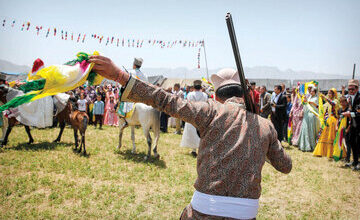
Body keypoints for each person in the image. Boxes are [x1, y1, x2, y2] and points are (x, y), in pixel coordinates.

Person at [89, 55, 292, 219]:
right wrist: (261, 141)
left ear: (216, 96)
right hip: (246, 214)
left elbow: (166, 100)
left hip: (204, 212)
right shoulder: (265, 126)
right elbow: (285, 165)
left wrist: (120, 76)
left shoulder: (210, 112)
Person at [180, 80, 208, 157]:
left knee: (192, 132)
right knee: (202, 132)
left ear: (194, 87)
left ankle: (193, 150)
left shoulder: (190, 94)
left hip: (193, 115)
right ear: (200, 87)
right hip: (202, 115)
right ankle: (201, 149)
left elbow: (188, 104)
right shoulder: (205, 95)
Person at [313, 88, 339, 158]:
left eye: (330, 93)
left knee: (331, 137)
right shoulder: (327, 103)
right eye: (328, 93)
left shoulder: (335, 101)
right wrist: (313, 105)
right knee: (322, 136)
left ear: (334, 94)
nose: (328, 94)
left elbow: (333, 104)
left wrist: (324, 97)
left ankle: (331, 152)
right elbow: (321, 108)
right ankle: (322, 152)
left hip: (333, 121)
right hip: (326, 121)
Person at [342, 79, 360, 170]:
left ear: (357, 89)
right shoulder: (350, 98)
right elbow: (351, 109)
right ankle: (355, 161)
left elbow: (358, 113)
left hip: (359, 125)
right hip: (353, 124)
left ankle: (358, 163)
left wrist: (349, 114)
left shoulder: (359, 98)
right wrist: (348, 112)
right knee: (352, 142)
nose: (350, 91)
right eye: (349, 89)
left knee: (358, 144)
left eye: (352, 89)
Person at [298, 87, 320, 152]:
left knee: (311, 130)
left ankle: (311, 145)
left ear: (315, 92)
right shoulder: (309, 97)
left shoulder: (316, 98)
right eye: (311, 91)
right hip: (306, 115)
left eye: (313, 91)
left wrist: (306, 100)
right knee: (305, 129)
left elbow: (314, 105)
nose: (311, 92)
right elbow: (305, 104)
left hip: (312, 115)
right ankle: (303, 145)